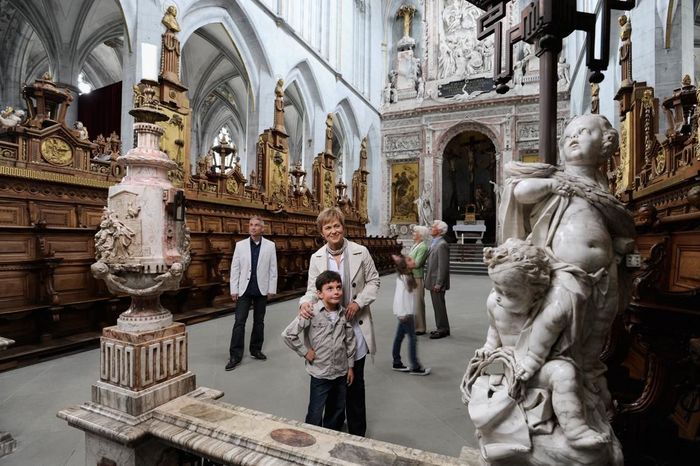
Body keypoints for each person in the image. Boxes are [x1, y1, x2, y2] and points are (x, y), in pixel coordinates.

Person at [473, 238, 608, 449]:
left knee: (564, 373)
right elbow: (494, 331)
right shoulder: (495, 303)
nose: (499, 297)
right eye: (496, 288)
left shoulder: (549, 313)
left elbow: (537, 354)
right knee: (484, 375)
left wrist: (529, 365)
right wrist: (489, 348)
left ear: (536, 295)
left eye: (509, 293)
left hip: (533, 366)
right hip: (504, 362)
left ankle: (575, 429)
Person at [299, 207, 380, 437]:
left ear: (343, 227)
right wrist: (305, 303)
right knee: (334, 381)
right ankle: (334, 429)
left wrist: (359, 302)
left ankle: (357, 433)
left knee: (355, 383)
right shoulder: (316, 258)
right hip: (328, 329)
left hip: (355, 325)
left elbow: (374, 282)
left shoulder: (360, 252)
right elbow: (311, 291)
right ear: (322, 233)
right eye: (328, 227)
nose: (333, 231)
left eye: (337, 226)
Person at [282, 271, 355, 431]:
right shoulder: (311, 312)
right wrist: (305, 352)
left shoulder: (344, 314)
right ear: (319, 294)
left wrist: (350, 366)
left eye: (338, 287)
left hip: (340, 371)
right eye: (329, 288)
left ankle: (332, 436)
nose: (336, 291)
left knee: (336, 410)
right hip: (320, 372)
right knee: (315, 412)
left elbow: (349, 341)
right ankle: (312, 438)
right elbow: (288, 334)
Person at [226, 216, 278, 370]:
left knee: (259, 322)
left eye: (257, 225)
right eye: (251, 225)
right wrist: (233, 289)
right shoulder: (240, 245)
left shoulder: (270, 246)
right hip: (244, 289)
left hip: (261, 289)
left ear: (263, 228)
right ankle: (235, 355)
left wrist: (271, 288)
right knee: (239, 322)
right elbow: (235, 268)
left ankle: (256, 349)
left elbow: (273, 269)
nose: (253, 227)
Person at [391, 254, 431, 376]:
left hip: (407, 312)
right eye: (409, 260)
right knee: (412, 339)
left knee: (399, 337)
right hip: (405, 314)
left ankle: (397, 362)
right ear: (405, 265)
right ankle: (415, 366)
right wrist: (401, 313)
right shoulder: (403, 278)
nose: (413, 260)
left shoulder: (408, 276)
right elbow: (399, 298)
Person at [424, 220, 450, 339]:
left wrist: (439, 283)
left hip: (437, 282)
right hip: (433, 280)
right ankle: (441, 327)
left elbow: (442, 266)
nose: (431, 228)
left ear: (439, 231)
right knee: (437, 306)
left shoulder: (442, 244)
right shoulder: (435, 243)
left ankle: (443, 329)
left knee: (439, 306)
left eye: (433, 227)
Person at [409, 226, 429, 335]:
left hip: (417, 277)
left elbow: (417, 263)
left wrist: (405, 263)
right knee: (412, 303)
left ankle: (420, 328)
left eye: (415, 232)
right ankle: (414, 326)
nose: (413, 233)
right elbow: (410, 260)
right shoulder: (415, 245)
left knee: (418, 303)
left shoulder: (423, 247)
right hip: (411, 276)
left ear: (420, 235)